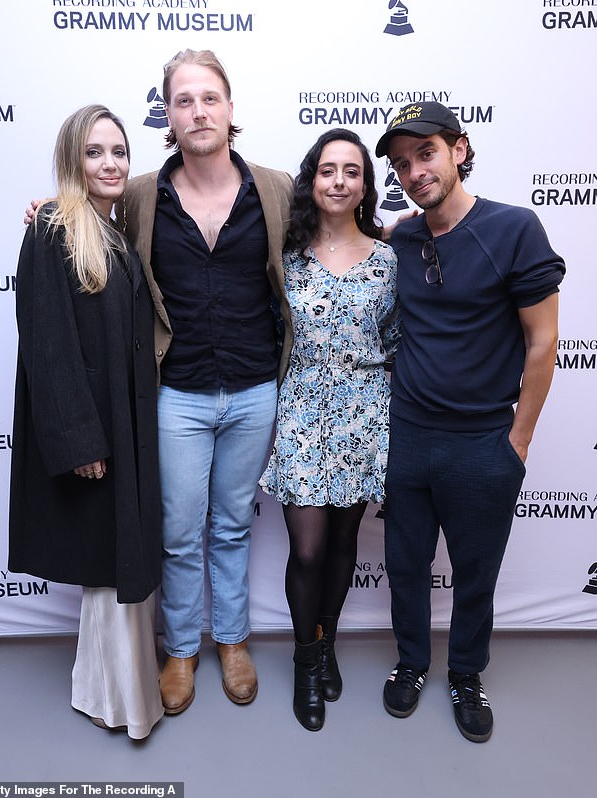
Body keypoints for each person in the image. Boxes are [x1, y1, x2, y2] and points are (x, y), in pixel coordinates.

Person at [374, 102, 565, 742]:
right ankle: (411, 662)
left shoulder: (514, 228)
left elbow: (544, 343)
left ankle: (466, 673)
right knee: (404, 564)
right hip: (408, 436)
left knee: (475, 571)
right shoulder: (401, 237)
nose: (413, 171)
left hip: (484, 442)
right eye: (401, 164)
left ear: (459, 150)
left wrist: (518, 441)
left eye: (425, 154)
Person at [122, 49, 294, 714]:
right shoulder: (140, 194)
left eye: (209, 97)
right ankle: (182, 651)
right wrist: (50, 210)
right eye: (183, 100)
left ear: (230, 107)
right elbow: (91, 228)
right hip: (178, 395)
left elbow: (341, 223)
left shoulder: (275, 188)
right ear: (168, 114)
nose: (198, 110)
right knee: (180, 530)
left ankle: (232, 641)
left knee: (231, 526)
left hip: (256, 389)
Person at [9, 105, 164, 739]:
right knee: (110, 564)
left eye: (120, 152)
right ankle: (118, 700)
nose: (110, 164)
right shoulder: (51, 228)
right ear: (75, 158)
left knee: (118, 561)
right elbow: (46, 342)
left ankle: (111, 691)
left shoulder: (111, 230)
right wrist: (78, 438)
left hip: (125, 425)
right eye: (96, 152)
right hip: (96, 433)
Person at [260, 129, 400, 731]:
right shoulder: (283, 258)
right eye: (327, 170)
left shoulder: (389, 259)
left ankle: (326, 644)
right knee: (309, 549)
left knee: (344, 546)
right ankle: (304, 662)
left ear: (365, 185)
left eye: (351, 171)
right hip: (301, 409)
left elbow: (393, 340)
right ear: (311, 182)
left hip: (365, 412)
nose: (338, 181)